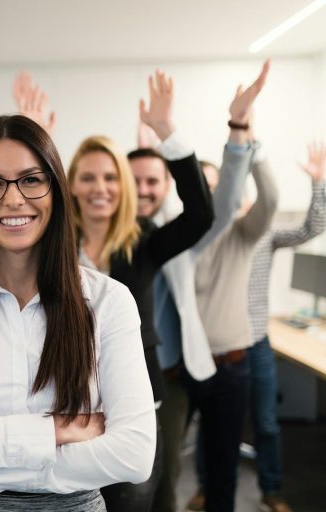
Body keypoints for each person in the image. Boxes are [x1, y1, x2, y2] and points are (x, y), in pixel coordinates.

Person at [0, 114, 156, 511]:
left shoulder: (109, 301)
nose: (13, 199)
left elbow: (134, 454)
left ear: (56, 190)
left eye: (31, 179)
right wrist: (55, 430)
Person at [65, 70, 214, 512]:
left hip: (136, 402)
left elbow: (201, 215)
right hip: (65, 406)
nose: (100, 188)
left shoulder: (143, 241)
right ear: (71, 184)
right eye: (88, 178)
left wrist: (167, 133)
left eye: (111, 178)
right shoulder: (53, 248)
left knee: (135, 501)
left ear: (123, 186)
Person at [188, 141, 325, 512]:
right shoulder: (201, 235)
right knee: (210, 425)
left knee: (266, 421)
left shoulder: (262, 231)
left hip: (256, 341)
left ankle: (271, 490)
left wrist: (317, 181)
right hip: (216, 346)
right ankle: (205, 487)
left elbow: (313, 227)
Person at [186, 65, 278, 512]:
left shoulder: (242, 233)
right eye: (202, 188)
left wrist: (251, 144)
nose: (211, 195)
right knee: (163, 460)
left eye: (217, 187)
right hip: (183, 367)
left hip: (231, 365)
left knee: (224, 464)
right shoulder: (181, 239)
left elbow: (271, 200)